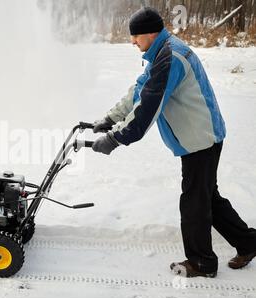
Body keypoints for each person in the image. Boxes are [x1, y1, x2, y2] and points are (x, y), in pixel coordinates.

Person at [92, 7, 256, 278]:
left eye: (135, 36)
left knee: (194, 202)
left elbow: (147, 109)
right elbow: (140, 90)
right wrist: (111, 117)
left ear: (150, 33)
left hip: (200, 140)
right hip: (201, 136)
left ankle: (201, 262)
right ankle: (248, 243)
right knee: (206, 197)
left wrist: (114, 138)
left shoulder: (170, 58)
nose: (132, 41)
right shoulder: (162, 52)